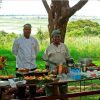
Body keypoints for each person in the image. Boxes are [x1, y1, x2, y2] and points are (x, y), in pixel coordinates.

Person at [43, 29, 70, 98]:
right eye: (55, 37)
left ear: (60, 37)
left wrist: (68, 67)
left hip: (63, 70)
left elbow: (67, 58)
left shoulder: (64, 46)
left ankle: (64, 97)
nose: (57, 38)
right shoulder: (49, 47)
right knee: (51, 87)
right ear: (52, 38)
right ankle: (50, 97)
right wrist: (47, 71)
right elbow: (45, 59)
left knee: (63, 87)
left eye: (58, 36)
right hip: (53, 70)